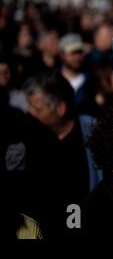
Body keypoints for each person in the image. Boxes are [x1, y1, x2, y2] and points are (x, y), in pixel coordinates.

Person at [13, 71, 102, 238]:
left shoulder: (92, 131)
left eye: (37, 108)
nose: (30, 113)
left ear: (60, 108)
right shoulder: (26, 135)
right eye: (29, 106)